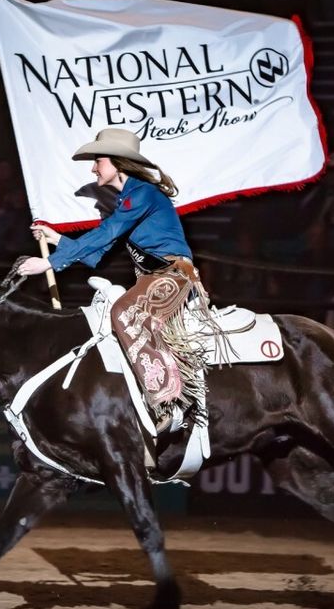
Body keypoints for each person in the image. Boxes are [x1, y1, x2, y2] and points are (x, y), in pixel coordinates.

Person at [17, 128, 211, 415]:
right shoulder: (128, 202)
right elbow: (97, 254)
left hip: (173, 276)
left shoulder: (142, 193)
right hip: (155, 278)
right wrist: (56, 239)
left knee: (123, 312)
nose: (94, 167)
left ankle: (171, 400)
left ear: (118, 162)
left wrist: (49, 263)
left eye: (98, 160)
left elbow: (107, 231)